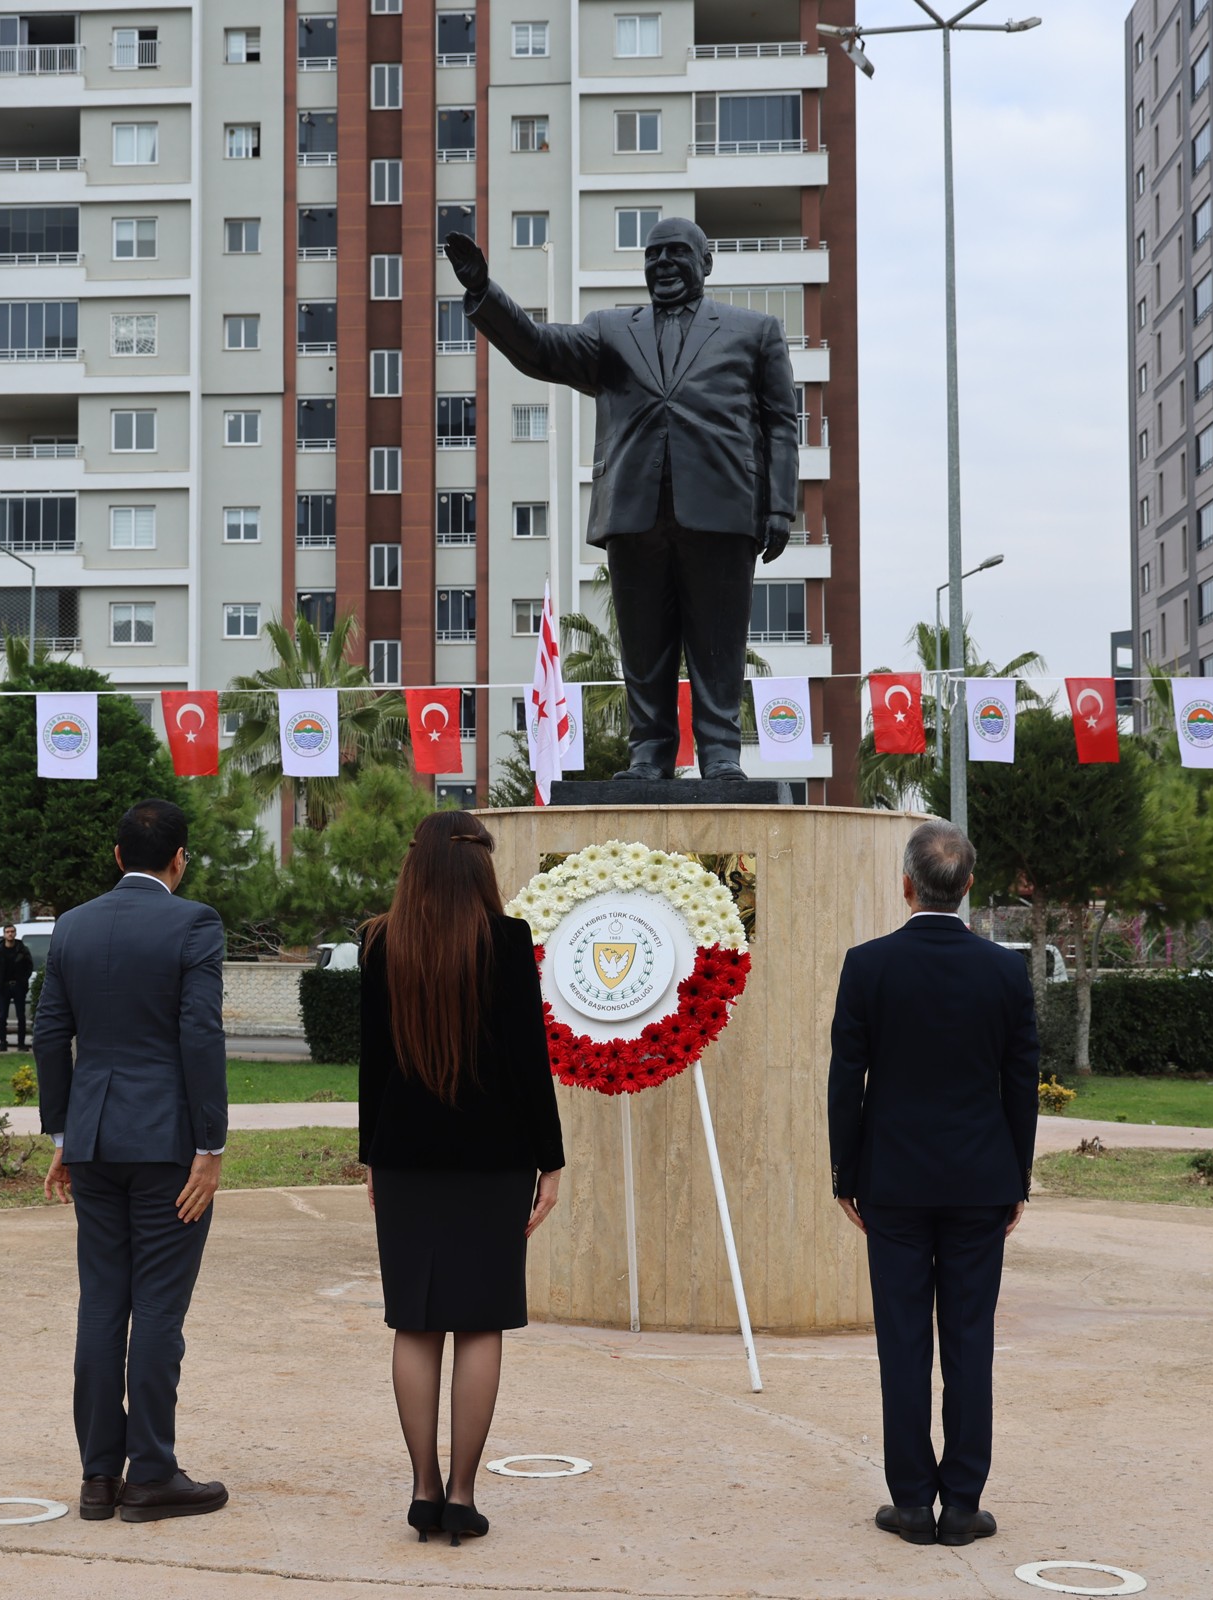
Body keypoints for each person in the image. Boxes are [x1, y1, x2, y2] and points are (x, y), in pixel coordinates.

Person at [444, 218, 800, 781]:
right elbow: (540, 349)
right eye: (653, 254)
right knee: (643, 646)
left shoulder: (754, 331)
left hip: (723, 510)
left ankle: (721, 757)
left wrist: (779, 505)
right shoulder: (611, 331)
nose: (663, 263)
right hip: (634, 513)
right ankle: (648, 756)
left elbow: (782, 424)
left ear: (705, 263)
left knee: (717, 644)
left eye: (676, 253)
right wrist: (484, 293)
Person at [826, 821, 1039, 1548]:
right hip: (982, 1179)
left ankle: (911, 1502)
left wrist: (844, 1174)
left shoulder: (868, 965)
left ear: (907, 884)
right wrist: (1018, 1179)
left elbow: (845, 1080)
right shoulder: (1006, 972)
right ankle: (964, 1503)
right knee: (970, 1341)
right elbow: (1020, 1086)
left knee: (905, 1344)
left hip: (892, 1182)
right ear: (969, 884)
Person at [359, 811, 565, 1547]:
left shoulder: (380, 942)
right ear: (478, 867)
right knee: (480, 1319)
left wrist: (371, 1154)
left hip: (406, 1154)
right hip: (494, 1156)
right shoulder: (506, 943)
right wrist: (552, 1160)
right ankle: (464, 1494)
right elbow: (527, 1063)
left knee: (414, 1320)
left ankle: (421, 1489)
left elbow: (373, 1065)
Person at [35, 800, 230, 1525]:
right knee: (156, 1307)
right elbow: (200, 1035)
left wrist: (62, 1135)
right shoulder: (194, 923)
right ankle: (150, 1474)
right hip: (167, 1145)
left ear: (118, 856)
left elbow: (51, 1036)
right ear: (179, 857)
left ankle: (96, 1478)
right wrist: (210, 1146)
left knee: (102, 1302)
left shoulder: (74, 925)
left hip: (93, 1143)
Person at [0, 924, 35, 1052]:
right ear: (4, 934)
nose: (10, 934)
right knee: (2, 1016)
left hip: (19, 987)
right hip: (4, 987)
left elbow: (29, 966)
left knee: (21, 1016)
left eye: (12, 931)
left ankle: (21, 1044)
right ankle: (3, 1043)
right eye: (7, 932)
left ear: (15, 934)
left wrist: (23, 980)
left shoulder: (22, 950)